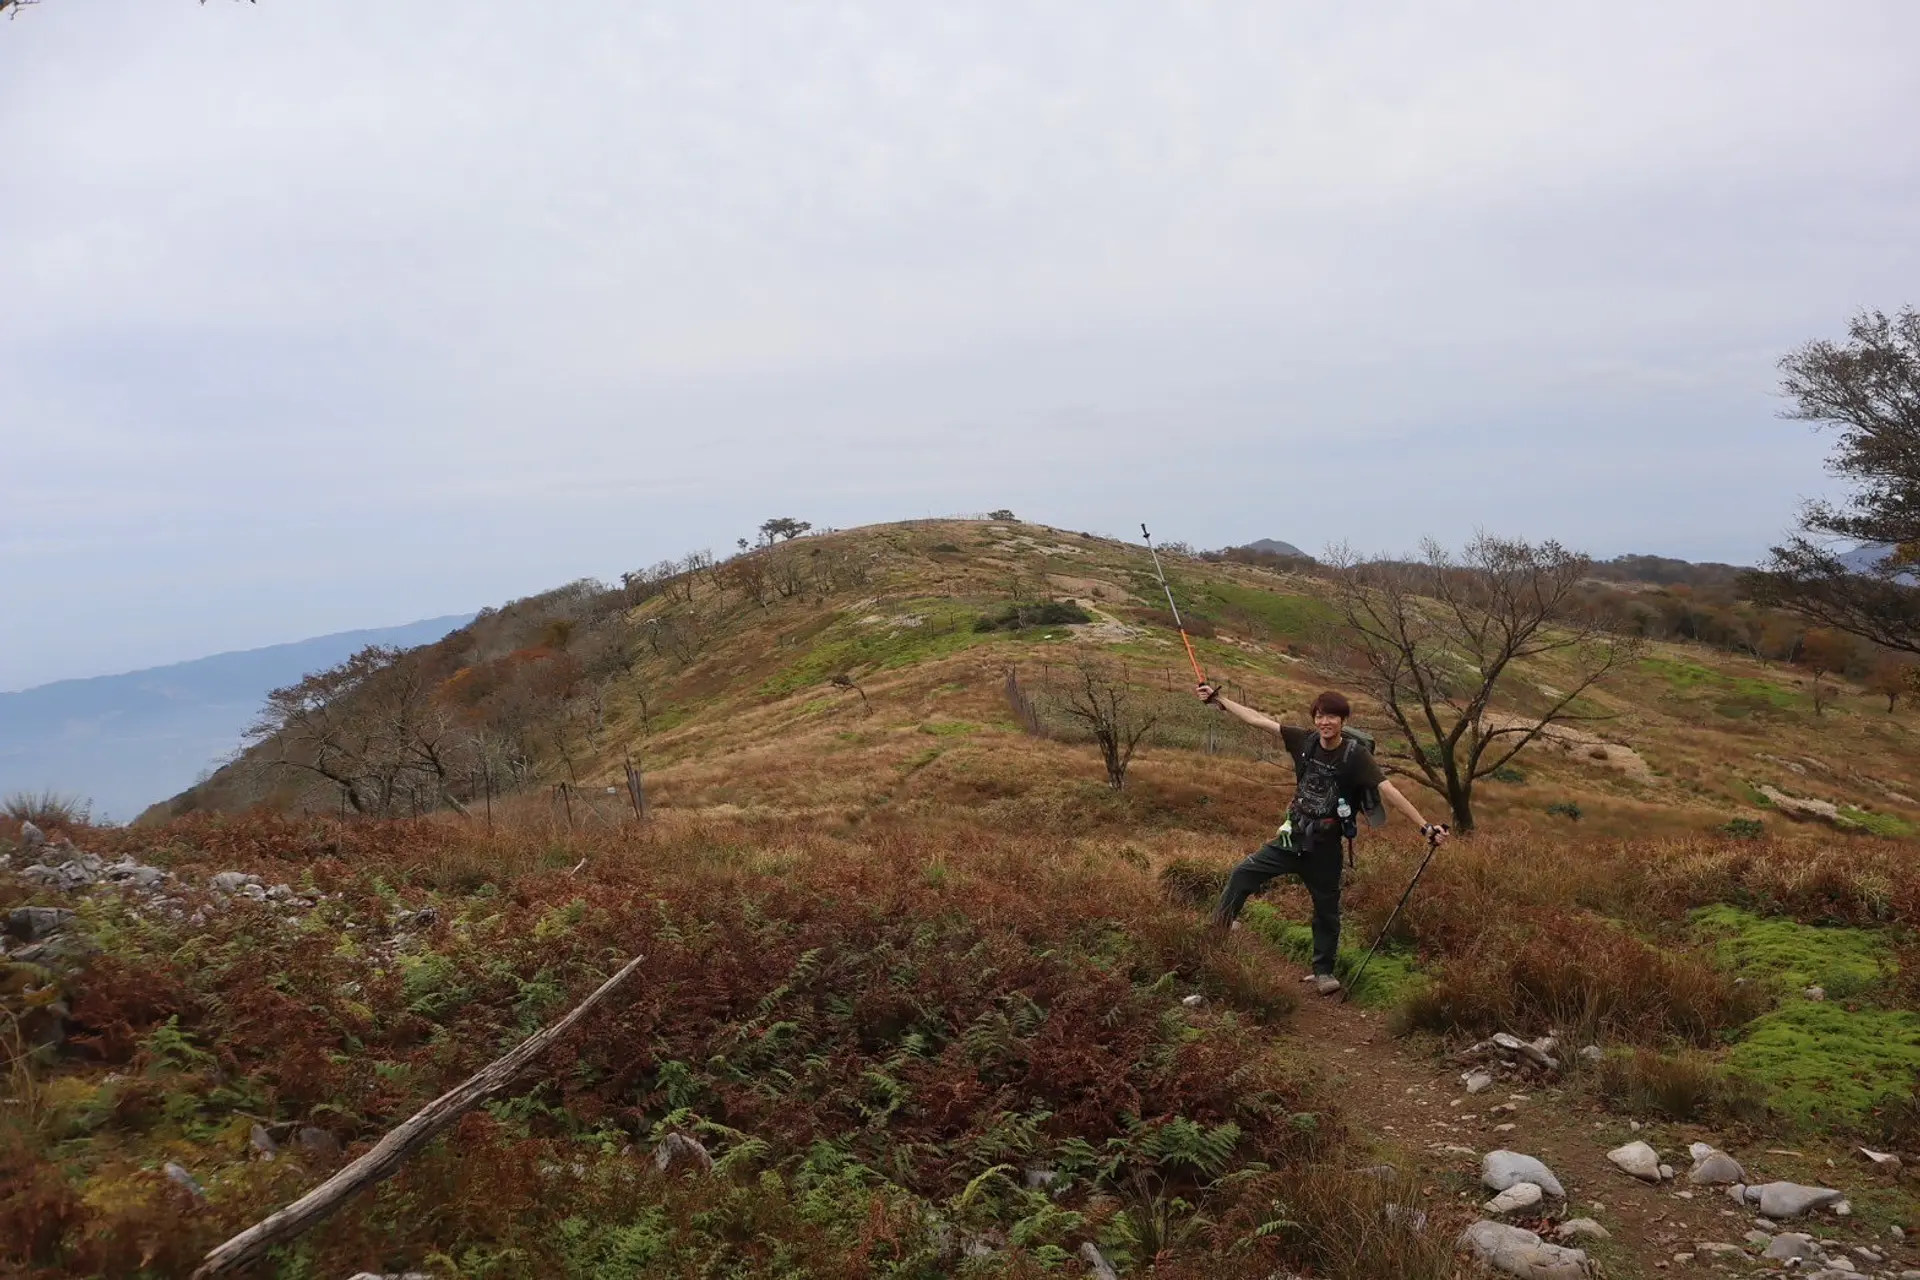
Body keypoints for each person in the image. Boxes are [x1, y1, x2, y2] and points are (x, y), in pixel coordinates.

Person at [1197, 683, 1448, 995]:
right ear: (1314, 718)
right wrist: (1219, 699)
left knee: (1326, 909)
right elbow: (1256, 720)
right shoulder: (1305, 741)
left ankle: (1323, 972)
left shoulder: (1356, 757)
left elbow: (1388, 790)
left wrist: (1425, 827)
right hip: (1293, 837)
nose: (1325, 722)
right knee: (1242, 874)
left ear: (1343, 721)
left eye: (1332, 717)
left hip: (1326, 847)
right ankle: (1215, 934)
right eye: (1320, 716)